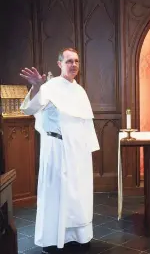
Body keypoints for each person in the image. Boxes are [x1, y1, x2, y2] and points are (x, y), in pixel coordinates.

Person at [19, 48, 99, 253]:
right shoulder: (50, 87)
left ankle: (78, 236)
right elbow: (29, 108)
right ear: (59, 64)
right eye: (69, 61)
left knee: (78, 196)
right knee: (56, 194)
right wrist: (36, 86)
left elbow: (86, 123)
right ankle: (53, 239)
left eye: (77, 61)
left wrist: (89, 149)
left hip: (78, 153)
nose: (73, 65)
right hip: (56, 150)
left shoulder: (81, 91)